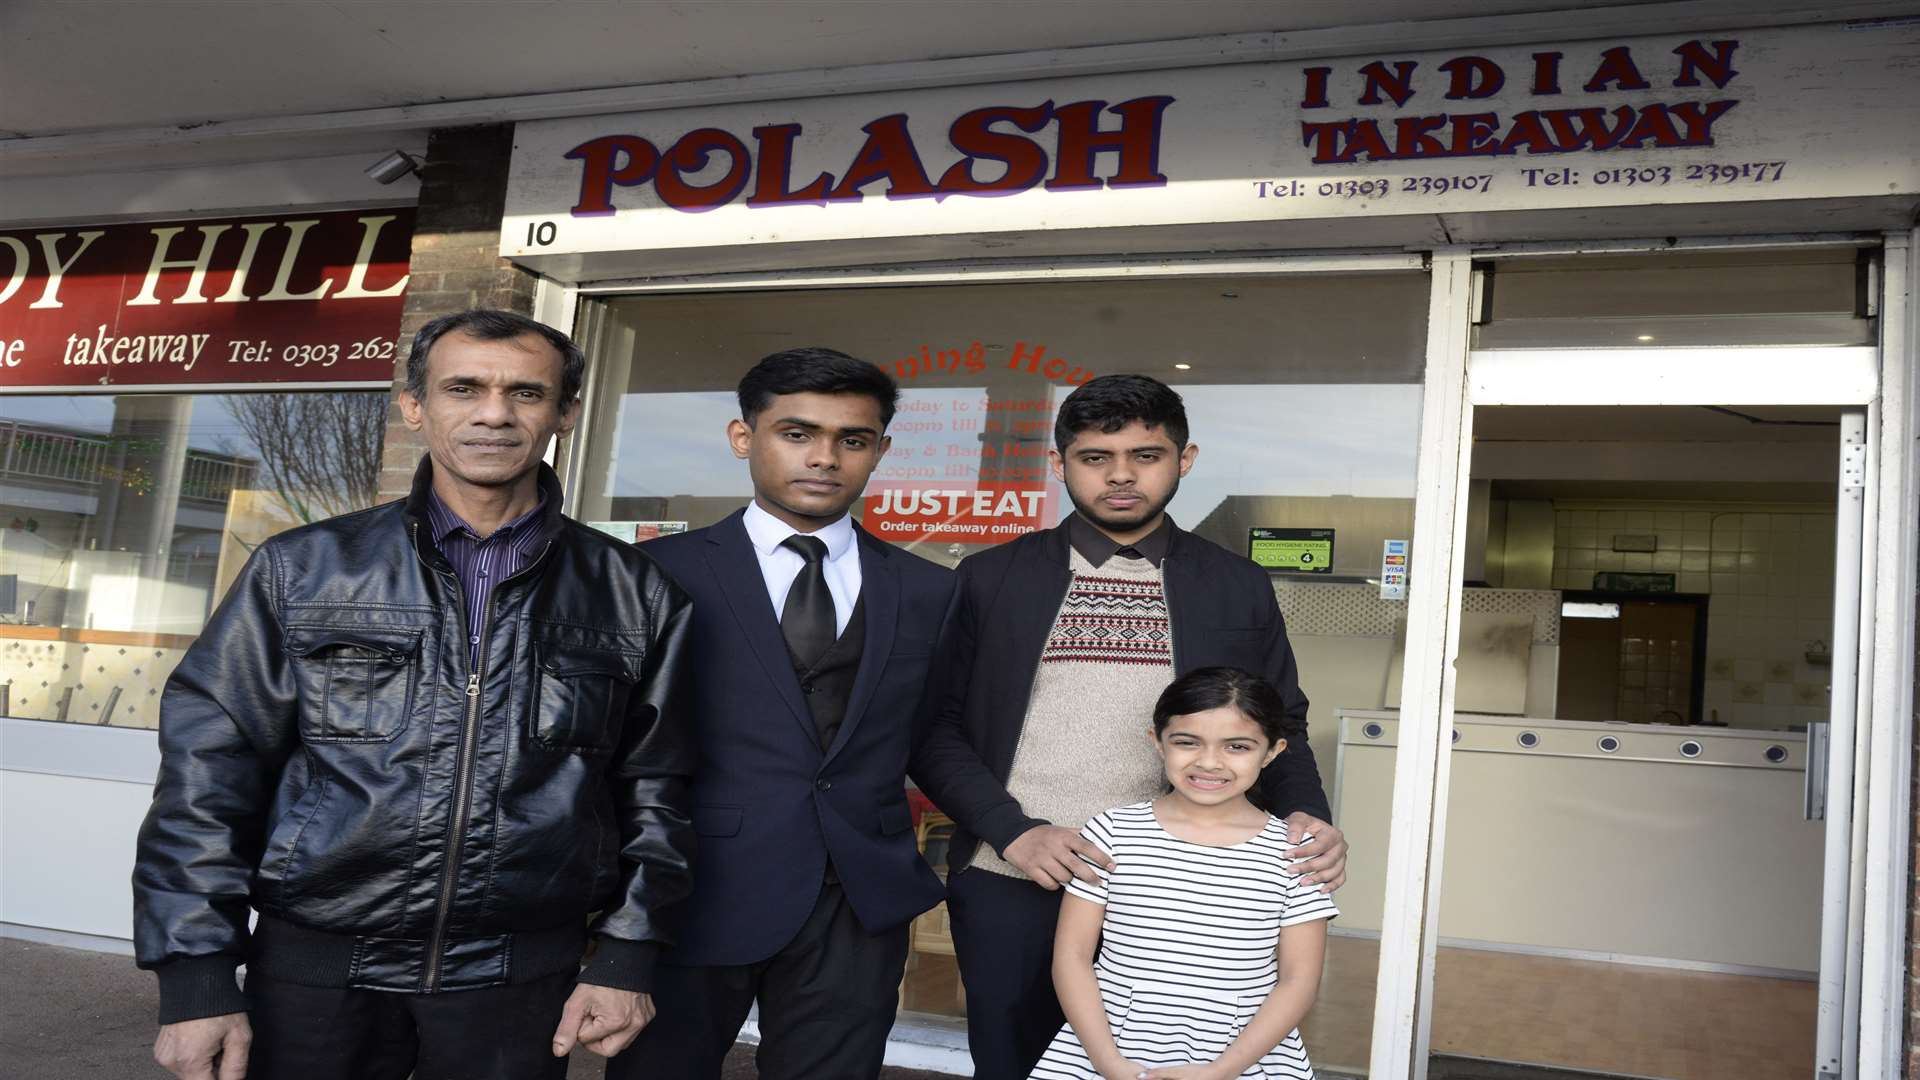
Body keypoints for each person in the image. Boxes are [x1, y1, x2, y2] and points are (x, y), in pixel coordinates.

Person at [132, 309, 697, 1080]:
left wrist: (628, 953)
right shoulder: (303, 570)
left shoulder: (633, 592)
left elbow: (659, 788)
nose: (494, 413)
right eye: (463, 388)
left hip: (516, 979)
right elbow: (208, 773)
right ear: (414, 406)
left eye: (526, 393)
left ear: (566, 412)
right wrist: (195, 977)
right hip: (316, 971)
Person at [911, 373, 1349, 1079]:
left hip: (1189, 886)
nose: (1120, 476)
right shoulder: (992, 579)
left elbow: (1282, 723)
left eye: (1145, 455)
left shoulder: (1235, 584)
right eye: (1094, 457)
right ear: (1060, 465)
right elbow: (934, 730)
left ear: (1185, 459)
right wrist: (1012, 830)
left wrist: (1308, 816)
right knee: (1018, 1066)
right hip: (1017, 875)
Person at [610, 348, 955, 1079]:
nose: (825, 457)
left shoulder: (927, 589)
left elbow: (935, 734)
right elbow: (621, 744)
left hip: (858, 898)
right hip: (696, 886)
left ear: (880, 450)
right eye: (797, 433)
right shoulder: (659, 572)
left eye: (852, 439)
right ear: (746, 438)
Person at [1033, 666, 1338, 1080]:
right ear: (1157, 742)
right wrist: (1106, 1062)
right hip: (1110, 1049)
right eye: (1187, 742)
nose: (1209, 762)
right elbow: (1072, 957)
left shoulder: (1297, 852)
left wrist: (1221, 1071)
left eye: (1237, 747)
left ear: (1272, 751)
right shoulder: (1111, 832)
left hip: (1241, 1057)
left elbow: (1298, 981)